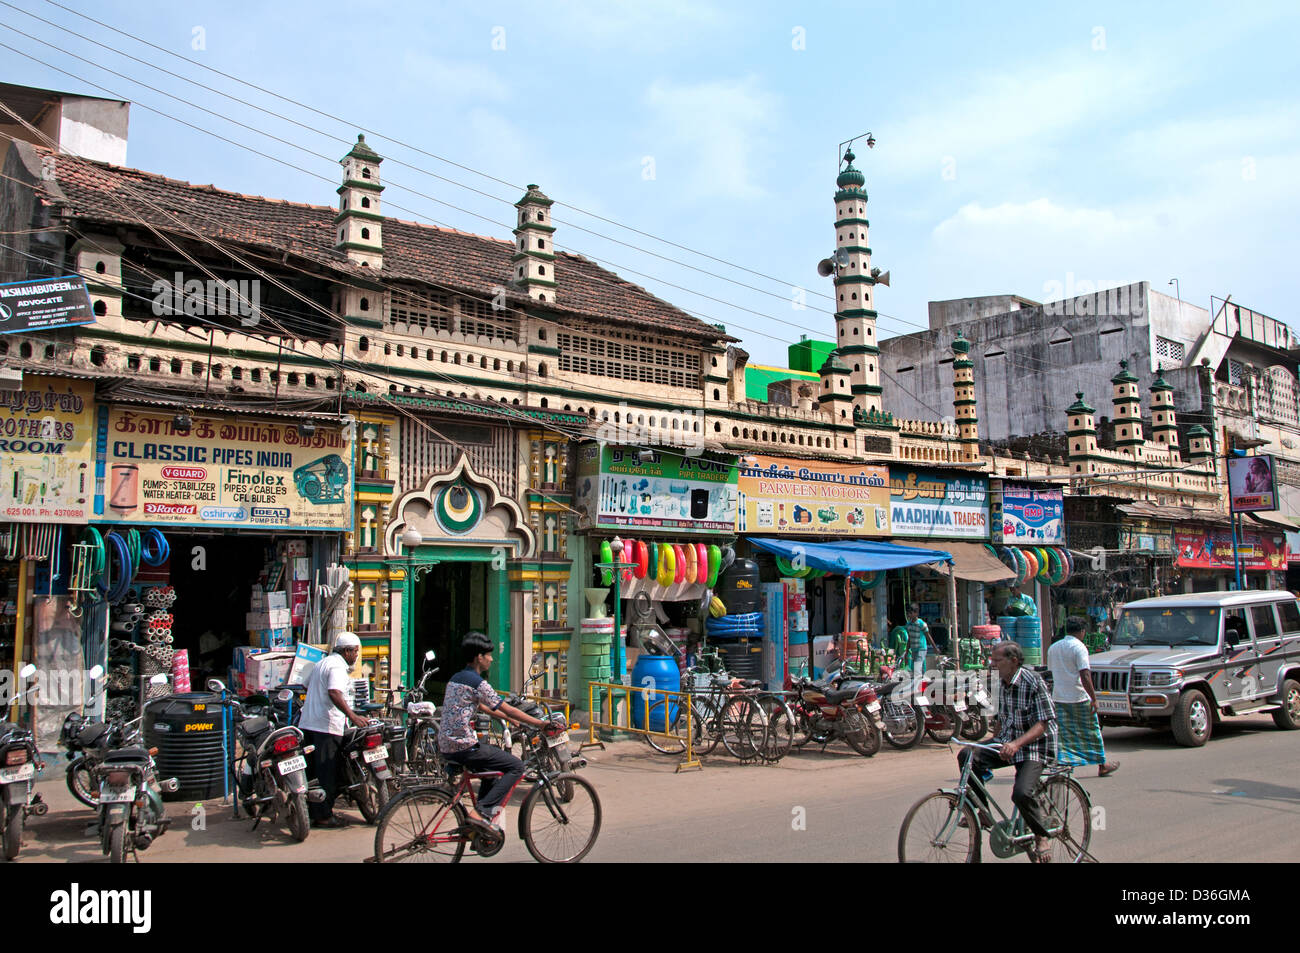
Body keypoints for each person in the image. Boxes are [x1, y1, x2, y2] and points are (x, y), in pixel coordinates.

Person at [438, 631, 554, 834]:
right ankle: (480, 812)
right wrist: (540, 724)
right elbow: (508, 707)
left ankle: (479, 826)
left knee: (490, 775)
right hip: (464, 746)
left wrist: (509, 721)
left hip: (446, 744)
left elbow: (482, 706)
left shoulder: (456, 679)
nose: (491, 659)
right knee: (516, 766)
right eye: (489, 655)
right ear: (478, 657)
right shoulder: (477, 682)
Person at [957, 641, 1059, 862]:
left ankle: (1042, 836)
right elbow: (1001, 719)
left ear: (1013, 662)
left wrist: (1016, 744)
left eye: (997, 660)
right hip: (1008, 741)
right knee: (967, 755)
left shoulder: (1033, 682)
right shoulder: (999, 683)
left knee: (1021, 793)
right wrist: (991, 743)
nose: (992, 664)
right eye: (991, 660)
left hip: (1035, 746)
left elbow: (1043, 723)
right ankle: (981, 812)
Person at [299, 632, 369, 829]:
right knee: (328, 772)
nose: (356, 655)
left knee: (313, 772)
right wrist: (353, 716)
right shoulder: (338, 667)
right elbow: (334, 693)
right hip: (326, 727)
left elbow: (306, 685)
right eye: (355, 651)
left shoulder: (322, 663)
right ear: (346, 651)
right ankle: (324, 816)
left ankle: (313, 811)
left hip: (308, 723)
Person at [1049, 617, 1120, 777]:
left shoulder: (1054, 647)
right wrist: (1094, 698)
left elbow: (1052, 671)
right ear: (1082, 631)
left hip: (1059, 697)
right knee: (1091, 731)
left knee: (1065, 734)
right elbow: (1085, 674)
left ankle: (1066, 764)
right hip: (1078, 697)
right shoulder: (1079, 647)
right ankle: (1102, 764)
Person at [904, 603, 929, 678]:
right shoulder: (908, 625)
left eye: (911, 613)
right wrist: (907, 651)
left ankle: (920, 686)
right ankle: (922, 686)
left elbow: (928, 636)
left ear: (916, 613)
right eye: (908, 613)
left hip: (921, 648)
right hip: (914, 649)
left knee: (917, 669)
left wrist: (935, 648)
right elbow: (909, 638)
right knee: (918, 669)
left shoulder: (921, 624)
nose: (909, 615)